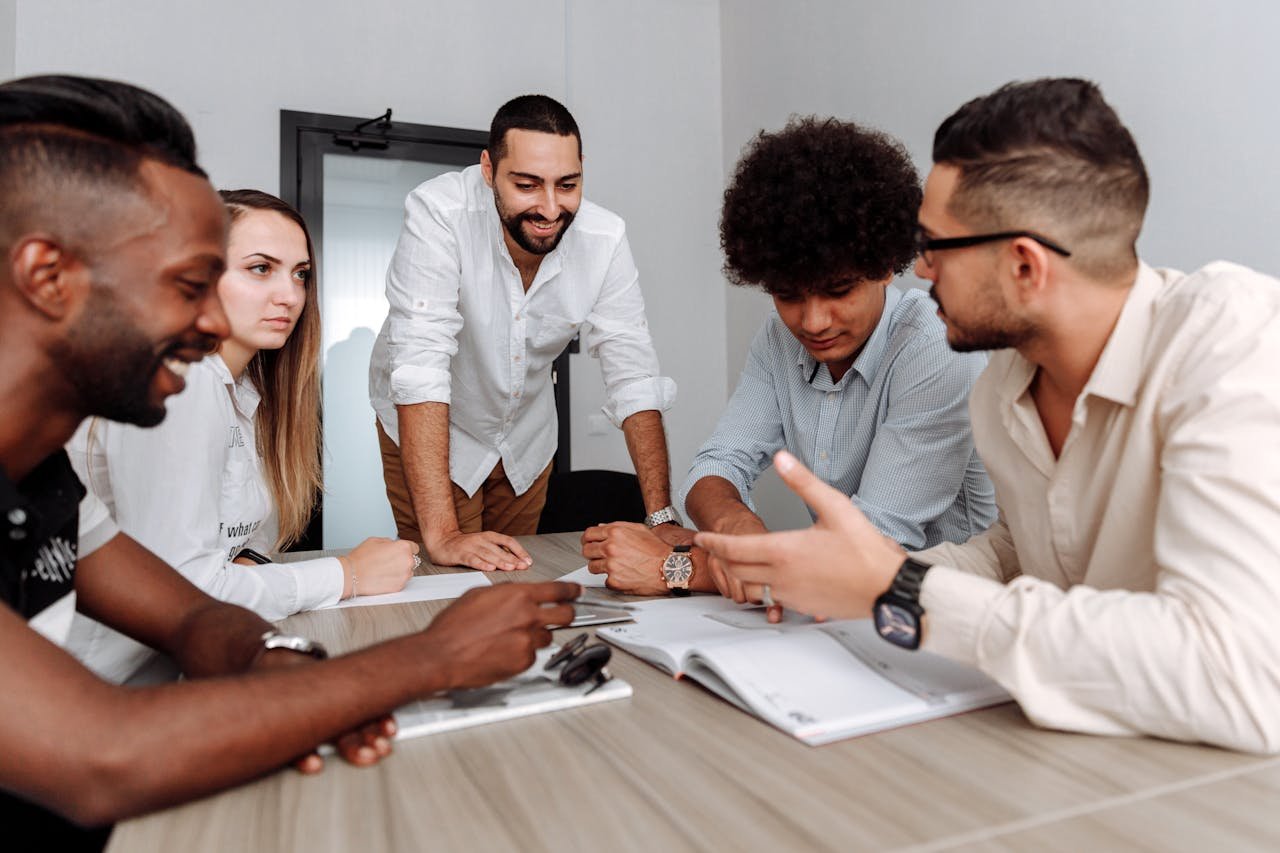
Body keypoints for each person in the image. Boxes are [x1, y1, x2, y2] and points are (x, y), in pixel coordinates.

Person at [0, 74, 578, 848]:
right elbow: (102, 752)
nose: (213, 324)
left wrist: (290, 674)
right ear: (48, 277)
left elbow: (190, 611)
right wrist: (429, 658)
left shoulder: (43, 477)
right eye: (185, 285)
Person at [697, 78, 1280, 754]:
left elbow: (1243, 677)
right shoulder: (1005, 380)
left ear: (1024, 265)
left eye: (935, 246)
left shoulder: (1233, 346)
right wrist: (868, 579)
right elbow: (1021, 554)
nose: (919, 270)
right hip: (1101, 750)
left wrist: (898, 589)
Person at [581, 118, 994, 602]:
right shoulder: (780, 339)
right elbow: (714, 469)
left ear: (885, 266)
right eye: (788, 294)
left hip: (944, 618)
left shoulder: (935, 349)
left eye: (837, 291)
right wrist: (741, 532)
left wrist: (679, 568)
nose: (813, 322)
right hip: (833, 614)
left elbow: (872, 544)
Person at [64, 190, 413, 684]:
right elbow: (185, 587)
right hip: (102, 689)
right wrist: (347, 575)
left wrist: (252, 567)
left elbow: (230, 551)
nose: (290, 295)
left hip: (184, 669)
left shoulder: (244, 389)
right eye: (259, 268)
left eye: (300, 274)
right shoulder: (181, 382)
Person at [368, 94, 680, 575]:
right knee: (448, 581)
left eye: (568, 184)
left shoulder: (605, 239)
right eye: (527, 185)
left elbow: (633, 375)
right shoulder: (440, 213)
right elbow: (420, 367)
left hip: (525, 439)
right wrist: (444, 535)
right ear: (489, 169)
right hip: (435, 429)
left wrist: (660, 517)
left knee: (516, 576)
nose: (550, 208)